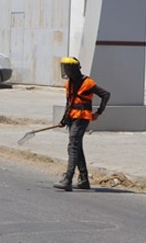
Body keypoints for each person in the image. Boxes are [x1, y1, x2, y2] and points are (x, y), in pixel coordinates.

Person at [54, 57, 110, 192]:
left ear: (74, 68)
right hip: (72, 118)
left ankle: (68, 179)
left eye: (68, 68)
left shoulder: (88, 82)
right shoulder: (69, 83)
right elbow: (69, 102)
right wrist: (64, 119)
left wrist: (98, 112)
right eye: (64, 68)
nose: (66, 71)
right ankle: (84, 180)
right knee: (76, 147)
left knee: (72, 146)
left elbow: (106, 94)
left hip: (82, 118)